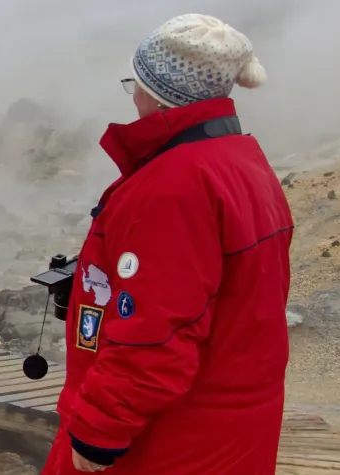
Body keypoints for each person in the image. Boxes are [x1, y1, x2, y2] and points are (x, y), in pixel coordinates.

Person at [43, 13, 292, 474]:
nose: (132, 94)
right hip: (232, 424)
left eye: (134, 83)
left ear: (158, 97)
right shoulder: (242, 161)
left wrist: (98, 431)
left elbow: (156, 334)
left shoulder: (173, 187)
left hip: (174, 439)